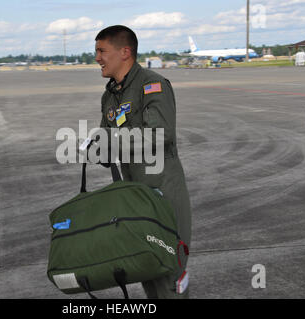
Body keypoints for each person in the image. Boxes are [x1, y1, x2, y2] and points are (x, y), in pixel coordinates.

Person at [94, 25, 192, 299]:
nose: (97, 58)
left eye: (102, 51)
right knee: (148, 268)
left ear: (125, 52)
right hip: (135, 195)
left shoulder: (152, 85)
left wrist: (111, 142)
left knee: (169, 272)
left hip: (163, 194)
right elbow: (108, 139)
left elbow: (160, 134)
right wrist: (96, 148)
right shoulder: (111, 94)